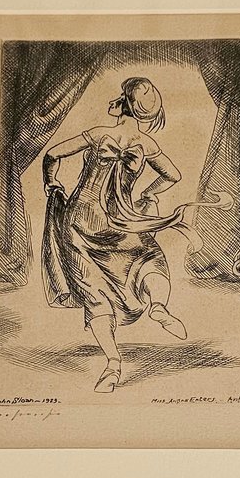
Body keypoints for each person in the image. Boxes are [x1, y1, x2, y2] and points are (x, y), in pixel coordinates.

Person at [41, 76, 189, 392]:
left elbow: (52, 154)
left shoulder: (98, 134)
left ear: (123, 104)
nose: (113, 101)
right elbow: (173, 176)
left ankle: (112, 365)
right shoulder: (147, 145)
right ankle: (158, 305)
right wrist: (148, 193)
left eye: (119, 98)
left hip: (80, 220)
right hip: (120, 219)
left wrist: (51, 182)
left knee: (93, 294)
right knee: (146, 259)